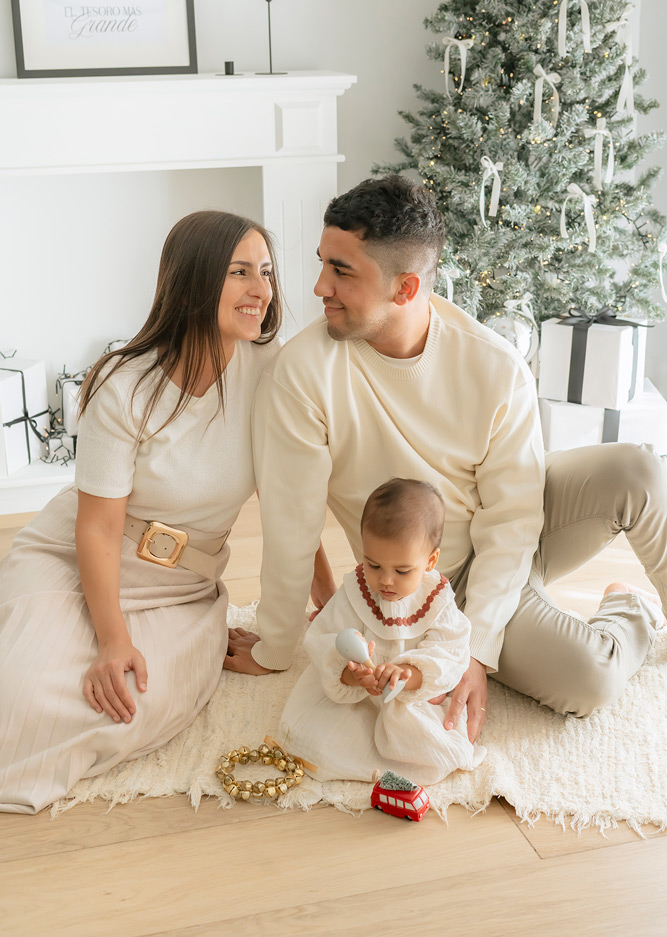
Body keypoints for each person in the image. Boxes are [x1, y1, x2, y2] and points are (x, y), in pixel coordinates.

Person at [228, 174, 667, 745]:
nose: (318, 288)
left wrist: (477, 655)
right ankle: (629, 610)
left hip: (512, 533)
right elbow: (291, 522)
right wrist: (277, 644)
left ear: (406, 288)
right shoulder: (303, 374)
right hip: (427, 579)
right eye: (322, 263)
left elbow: (513, 518)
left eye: (341, 271)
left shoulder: (493, 364)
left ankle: (639, 604)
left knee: (637, 469)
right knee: (588, 679)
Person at [0, 209, 309, 815]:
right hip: (79, 558)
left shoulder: (273, 370)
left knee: (130, 702)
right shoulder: (123, 383)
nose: (262, 292)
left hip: (184, 585)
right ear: (194, 281)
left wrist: (321, 602)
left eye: (267, 273)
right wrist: (112, 640)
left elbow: (293, 495)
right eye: (240, 272)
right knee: (25, 693)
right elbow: (97, 526)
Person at [278, 479, 485, 784]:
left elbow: (450, 652)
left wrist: (408, 673)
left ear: (430, 561)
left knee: (436, 747)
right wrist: (351, 675)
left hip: (409, 698)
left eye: (402, 571)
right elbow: (324, 639)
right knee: (313, 736)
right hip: (355, 698)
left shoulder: (436, 599)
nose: (385, 580)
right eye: (373, 564)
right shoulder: (356, 591)